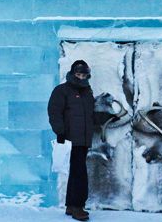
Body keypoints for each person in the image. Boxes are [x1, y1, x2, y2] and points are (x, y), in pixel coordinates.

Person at [47, 60, 95, 221]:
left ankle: (70, 205)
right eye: (78, 74)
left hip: (84, 138)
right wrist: (60, 132)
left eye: (84, 75)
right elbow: (54, 112)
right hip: (70, 138)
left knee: (76, 171)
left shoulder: (87, 91)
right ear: (73, 73)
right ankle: (77, 207)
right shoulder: (62, 90)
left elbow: (89, 114)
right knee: (79, 173)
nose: (81, 77)